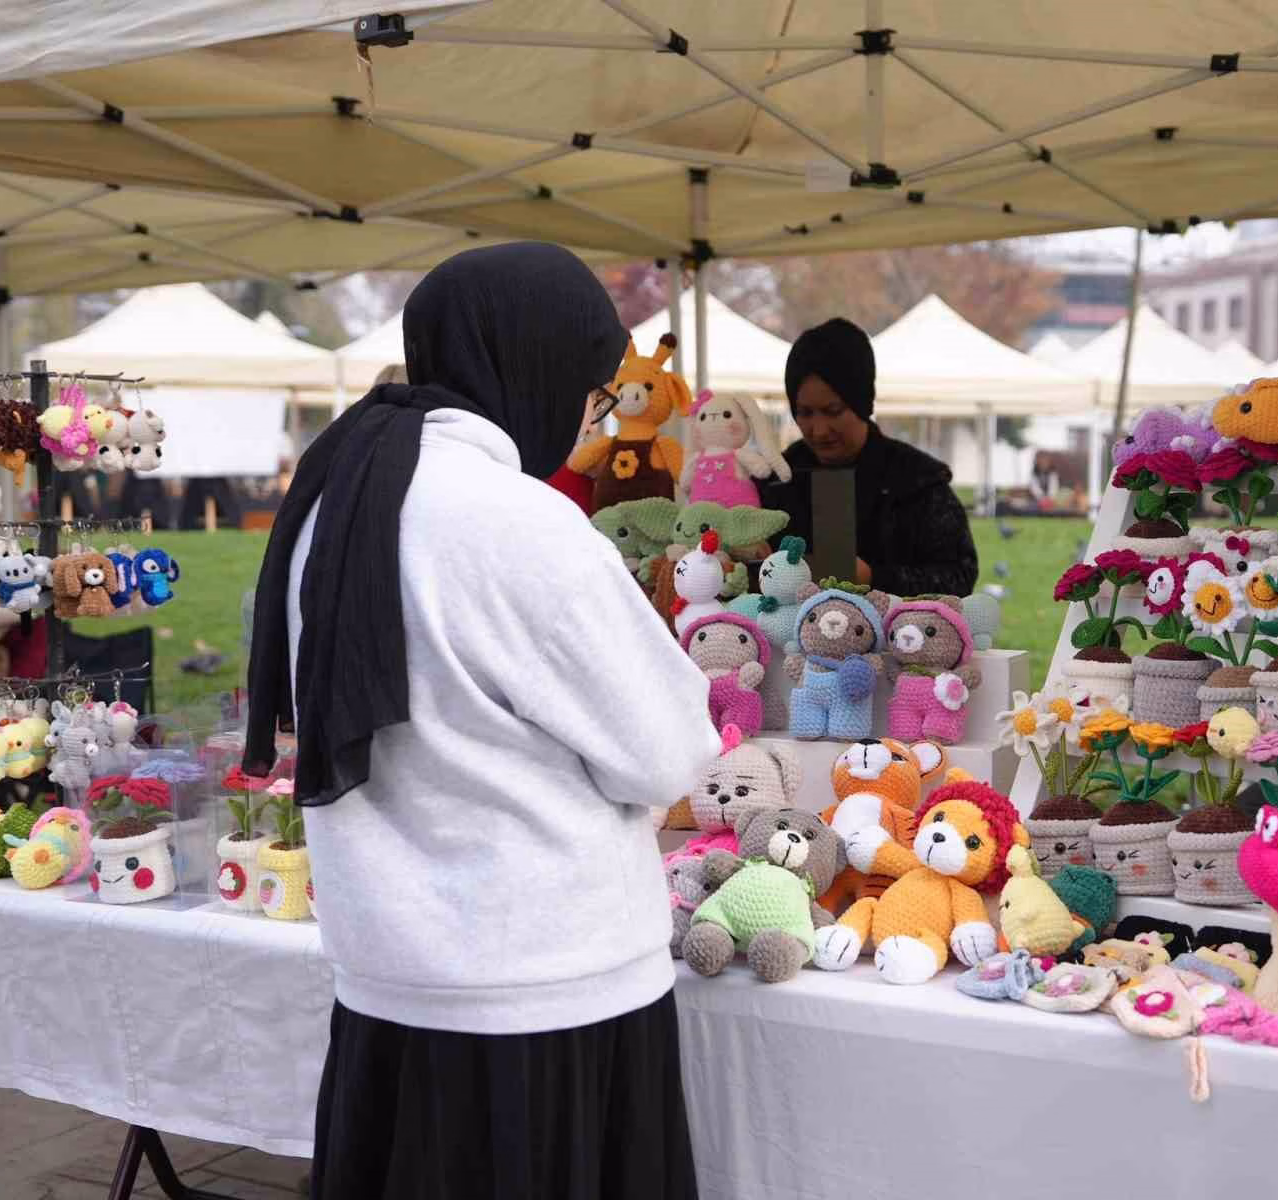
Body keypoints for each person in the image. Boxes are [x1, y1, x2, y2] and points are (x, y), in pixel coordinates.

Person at [244, 243, 720, 1200]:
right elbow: (665, 747)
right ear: (537, 367)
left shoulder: (336, 496)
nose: (589, 427)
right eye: (594, 395)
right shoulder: (518, 522)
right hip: (543, 984)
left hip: (388, 975)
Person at [760, 317, 978, 597]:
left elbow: (960, 575)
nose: (819, 430)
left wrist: (875, 577)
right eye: (805, 413)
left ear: (862, 403)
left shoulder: (917, 480)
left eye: (833, 410)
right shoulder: (778, 479)